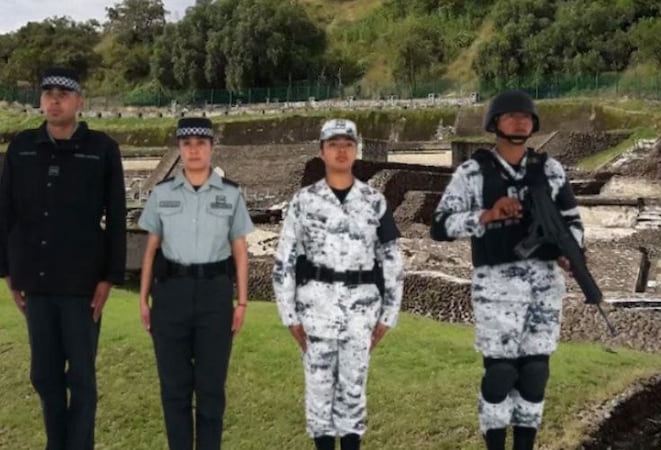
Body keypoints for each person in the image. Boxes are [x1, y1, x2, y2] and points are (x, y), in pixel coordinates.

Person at [430, 89, 586, 450]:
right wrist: (485, 215)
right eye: (510, 115)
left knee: (535, 374)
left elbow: (572, 220)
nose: (519, 120)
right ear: (494, 123)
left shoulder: (550, 170)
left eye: (526, 116)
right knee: (500, 373)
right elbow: (440, 226)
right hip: (496, 285)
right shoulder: (473, 172)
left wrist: (571, 250)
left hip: (545, 285)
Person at [0, 66, 126, 450]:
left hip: (82, 285)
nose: (55, 99)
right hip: (36, 282)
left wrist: (109, 277)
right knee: (45, 375)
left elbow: (117, 216)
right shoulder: (21, 147)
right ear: (41, 100)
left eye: (64, 93)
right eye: (48, 92)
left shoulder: (102, 149)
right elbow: (5, 213)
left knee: (82, 379)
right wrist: (8, 272)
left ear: (79, 101)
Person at [273, 119, 405, 450]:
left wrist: (388, 315)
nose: (341, 150)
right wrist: (289, 316)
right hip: (315, 307)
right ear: (322, 151)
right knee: (318, 394)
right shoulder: (304, 202)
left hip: (362, 310)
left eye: (348, 143)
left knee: (352, 392)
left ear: (356, 150)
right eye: (334, 144)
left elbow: (392, 259)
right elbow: (285, 261)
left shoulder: (374, 201)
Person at [137, 117, 253, 450]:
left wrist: (242, 302)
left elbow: (240, 251)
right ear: (179, 148)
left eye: (200, 143)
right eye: (187, 144)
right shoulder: (162, 194)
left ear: (211, 148)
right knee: (173, 388)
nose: (193, 150)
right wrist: (143, 299)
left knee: (211, 387)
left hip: (215, 294)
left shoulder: (230, 195)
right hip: (170, 293)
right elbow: (151, 248)